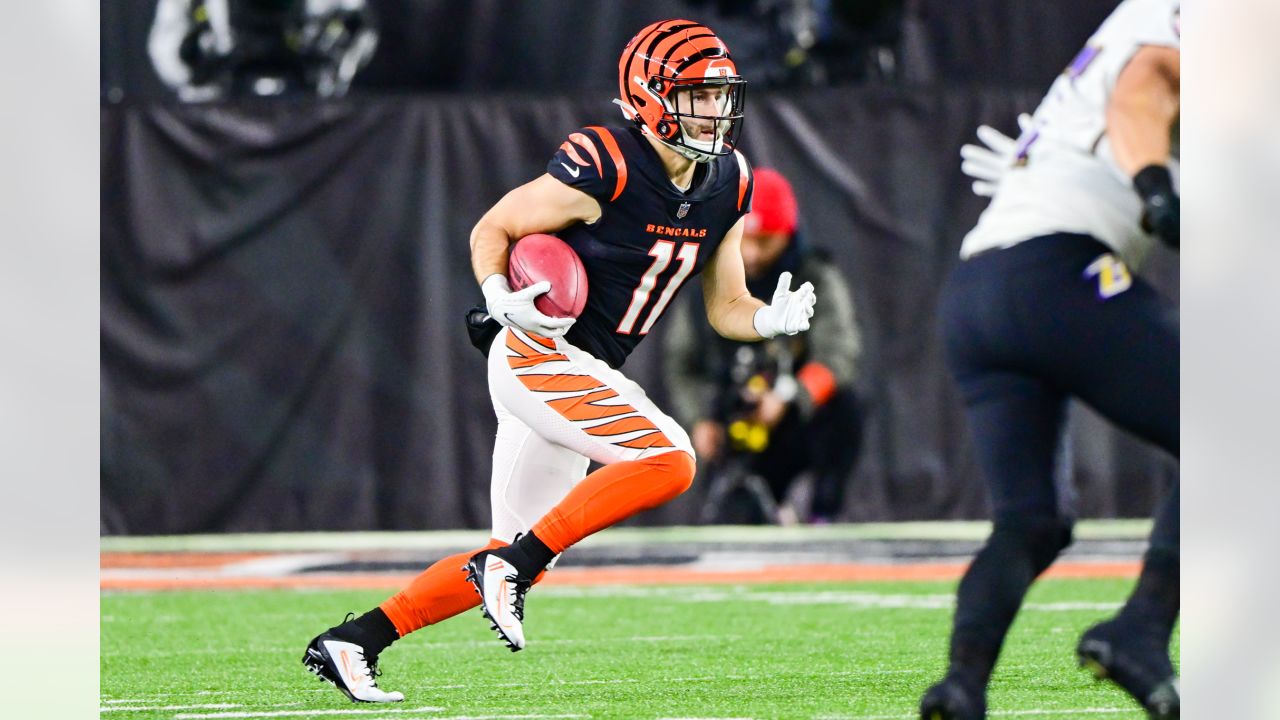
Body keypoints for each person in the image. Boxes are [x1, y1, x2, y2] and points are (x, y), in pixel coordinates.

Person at [301, 19, 816, 703]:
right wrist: (496, 292)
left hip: (579, 369)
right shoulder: (607, 163)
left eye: (721, 95)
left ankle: (356, 639)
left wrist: (765, 320)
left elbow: (726, 305)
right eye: (699, 94)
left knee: (512, 548)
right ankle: (514, 567)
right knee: (669, 459)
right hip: (540, 351)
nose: (716, 111)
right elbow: (494, 226)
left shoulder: (729, 182)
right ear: (652, 97)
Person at [919, 1, 1180, 718]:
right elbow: (1146, 80)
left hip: (976, 288)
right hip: (1053, 273)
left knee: (1031, 521)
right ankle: (1143, 626)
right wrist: (1158, 188)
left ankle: (962, 684)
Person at [664, 167, 863, 524]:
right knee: (734, 521)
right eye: (745, 239)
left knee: (845, 410)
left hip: (790, 417)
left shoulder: (814, 274)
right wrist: (700, 420)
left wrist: (788, 398)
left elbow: (839, 351)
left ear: (788, 235)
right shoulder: (704, 283)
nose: (753, 254)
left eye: (766, 241)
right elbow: (682, 362)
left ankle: (823, 515)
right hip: (734, 429)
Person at [148, 0, 377, 100]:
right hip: (218, 115)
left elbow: (361, 29)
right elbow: (165, 49)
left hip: (306, 115)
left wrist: (331, 50)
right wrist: (196, 50)